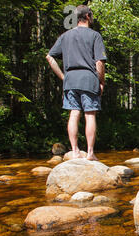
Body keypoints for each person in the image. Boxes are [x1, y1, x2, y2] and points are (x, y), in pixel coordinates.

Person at [46, 5, 107, 161]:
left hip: (71, 80)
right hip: (89, 79)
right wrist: (101, 82)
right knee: (90, 115)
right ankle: (91, 153)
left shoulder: (65, 36)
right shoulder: (95, 36)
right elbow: (99, 62)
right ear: (87, 16)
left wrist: (63, 77)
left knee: (73, 114)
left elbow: (49, 57)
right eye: (91, 15)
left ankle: (74, 151)